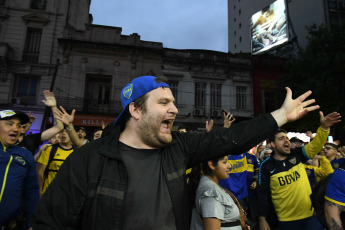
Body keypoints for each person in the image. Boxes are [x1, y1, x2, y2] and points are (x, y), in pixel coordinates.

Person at [33, 75, 320, 230]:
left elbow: (231, 138)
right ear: (135, 109)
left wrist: (281, 115)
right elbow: (49, 222)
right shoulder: (88, 160)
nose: (174, 109)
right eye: (163, 102)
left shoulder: (179, 147)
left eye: (173, 102)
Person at [258, 111, 341, 230]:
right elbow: (263, 194)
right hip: (286, 221)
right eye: (281, 139)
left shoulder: (297, 155)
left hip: (311, 217)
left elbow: (315, 146)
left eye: (287, 138)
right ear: (272, 144)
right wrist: (262, 219)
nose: (286, 140)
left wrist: (324, 128)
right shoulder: (266, 166)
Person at [0, 110, 40, 230]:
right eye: (9, 124)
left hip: (9, 225)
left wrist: (31, 223)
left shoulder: (25, 155)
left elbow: (31, 190)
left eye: (18, 125)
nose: (16, 129)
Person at [190, 155, 243, 230]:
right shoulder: (212, 194)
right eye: (224, 162)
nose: (229, 166)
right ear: (211, 164)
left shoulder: (211, 186)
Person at [18, 90, 64, 155]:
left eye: (24, 124)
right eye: (18, 124)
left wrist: (53, 107)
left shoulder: (30, 140)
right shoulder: (3, 142)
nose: (22, 126)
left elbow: (59, 127)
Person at [36, 129, 74, 195]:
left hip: (66, 194)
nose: (64, 134)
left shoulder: (76, 152)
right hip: (47, 192)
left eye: (67, 132)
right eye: (62, 132)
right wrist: (39, 190)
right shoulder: (50, 149)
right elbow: (40, 171)